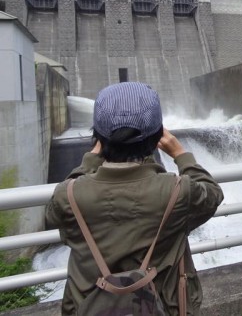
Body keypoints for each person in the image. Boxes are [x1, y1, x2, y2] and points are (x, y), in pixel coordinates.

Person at [46, 82, 224, 315]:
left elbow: (57, 214)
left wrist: (89, 160)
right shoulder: (177, 192)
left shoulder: (68, 197)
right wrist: (181, 155)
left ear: (98, 138)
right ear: (158, 137)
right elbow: (212, 194)